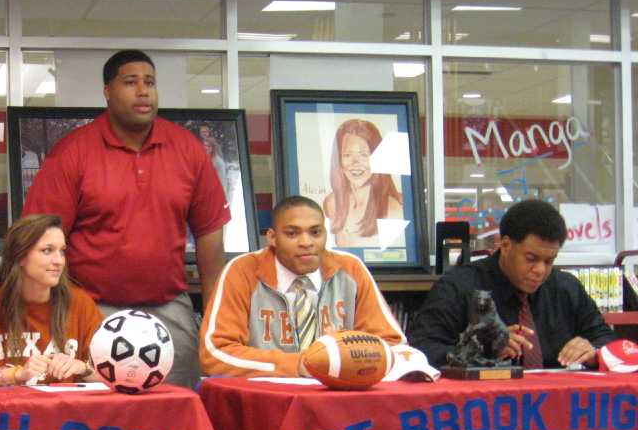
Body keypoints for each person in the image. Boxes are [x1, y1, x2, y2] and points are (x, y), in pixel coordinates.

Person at [22, 49, 230, 390]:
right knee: (96, 412)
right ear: (107, 91)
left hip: (168, 308)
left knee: (177, 406)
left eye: (149, 82)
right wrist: (51, 315)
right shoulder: (74, 152)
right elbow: (40, 239)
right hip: (90, 308)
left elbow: (210, 237)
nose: (143, 91)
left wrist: (214, 320)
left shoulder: (187, 149)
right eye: (130, 82)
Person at [200, 196, 405, 377]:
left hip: (340, 398)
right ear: (272, 237)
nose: (306, 242)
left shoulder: (350, 269)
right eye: (292, 234)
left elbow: (393, 345)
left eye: (315, 232)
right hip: (267, 401)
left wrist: (349, 358)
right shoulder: (242, 271)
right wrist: (298, 365)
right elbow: (215, 354)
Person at [408, 199, 616, 369]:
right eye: (531, 258)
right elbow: (419, 349)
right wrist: (478, 351)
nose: (540, 271)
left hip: (559, 406)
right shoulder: (458, 287)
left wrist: (594, 352)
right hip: (482, 408)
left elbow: (608, 340)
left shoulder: (566, 288)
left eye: (549, 261)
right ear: (505, 245)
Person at [0, 214, 104, 386]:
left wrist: (82, 367)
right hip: (7, 411)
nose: (59, 261)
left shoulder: (80, 302)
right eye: (47, 250)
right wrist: (18, 374)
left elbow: (115, 374)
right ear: (20, 256)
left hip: (66, 411)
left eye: (62, 251)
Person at [322, 118, 404, 247]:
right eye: (348, 155)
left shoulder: (395, 209)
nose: (355, 163)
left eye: (364, 155)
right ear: (339, 160)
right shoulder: (331, 203)